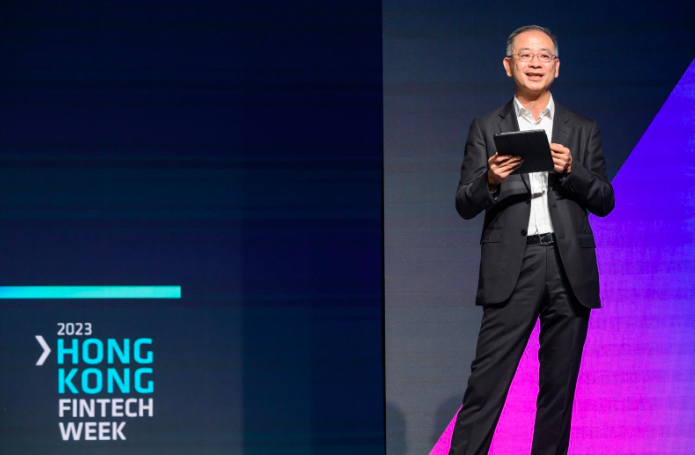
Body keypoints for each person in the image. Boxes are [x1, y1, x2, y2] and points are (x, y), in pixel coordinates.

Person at [448, 25, 614, 455]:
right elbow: (464, 203)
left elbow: (604, 200)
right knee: (485, 388)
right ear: (509, 66)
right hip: (513, 267)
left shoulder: (582, 128)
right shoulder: (486, 126)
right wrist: (490, 179)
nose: (535, 63)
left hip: (568, 268)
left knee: (559, 394)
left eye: (544, 56)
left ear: (557, 67)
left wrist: (573, 171)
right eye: (525, 55)